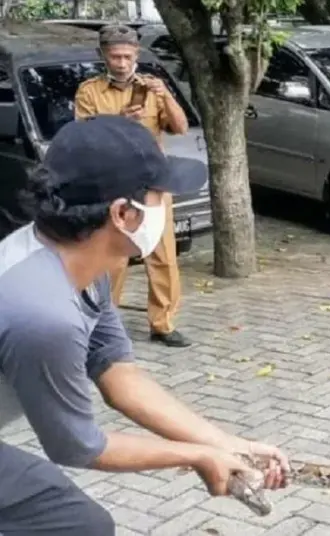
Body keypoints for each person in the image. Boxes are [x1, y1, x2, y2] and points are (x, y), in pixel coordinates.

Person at [0, 115, 289, 534]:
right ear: (122, 213)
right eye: (158, 195)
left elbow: (120, 377)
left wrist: (227, 445)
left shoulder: (76, 259)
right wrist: (195, 456)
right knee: (75, 526)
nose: (165, 206)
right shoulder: (45, 314)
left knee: (78, 524)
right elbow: (78, 446)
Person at [74, 24, 192, 347]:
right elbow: (84, 138)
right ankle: (103, 324)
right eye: (115, 57)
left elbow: (180, 127)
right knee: (114, 256)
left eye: (127, 56)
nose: (122, 63)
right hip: (114, 183)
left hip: (153, 184)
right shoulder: (90, 91)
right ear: (103, 56)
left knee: (163, 254)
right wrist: (120, 122)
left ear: (137, 54)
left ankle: (163, 323)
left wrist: (164, 94)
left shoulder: (152, 88)